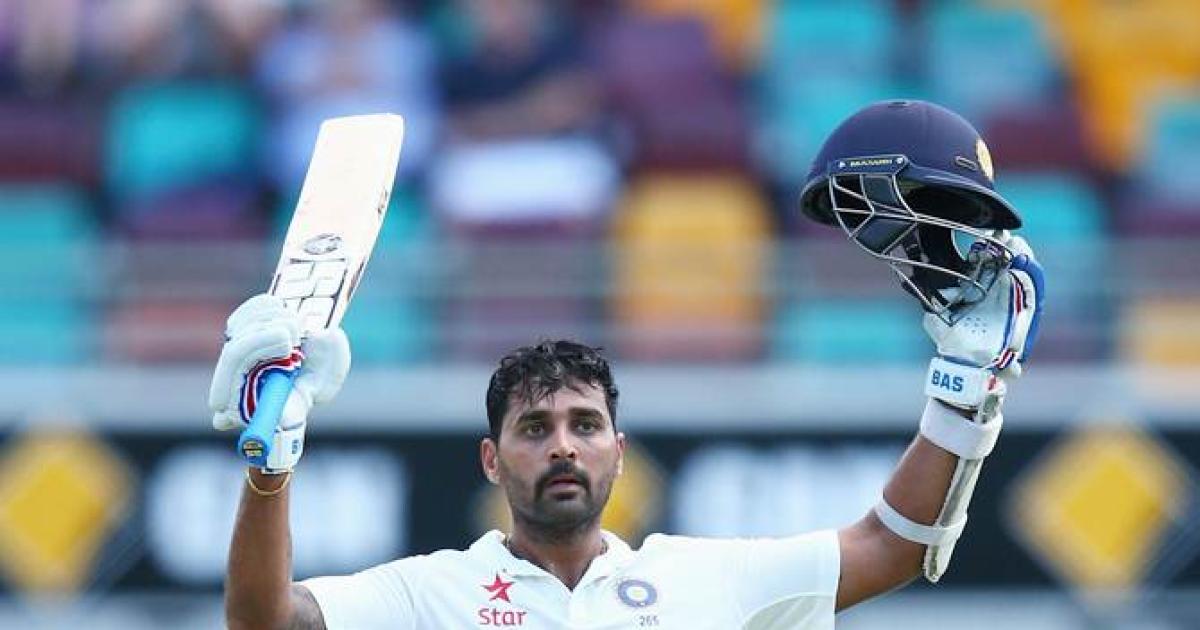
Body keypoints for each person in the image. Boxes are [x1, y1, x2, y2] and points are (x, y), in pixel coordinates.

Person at [212, 100, 1044, 629]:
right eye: (534, 429)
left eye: (585, 425)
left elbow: (893, 546)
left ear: (619, 449)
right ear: (492, 460)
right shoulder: (427, 596)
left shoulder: (707, 582)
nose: (562, 445)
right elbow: (262, 623)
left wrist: (965, 387)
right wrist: (270, 473)